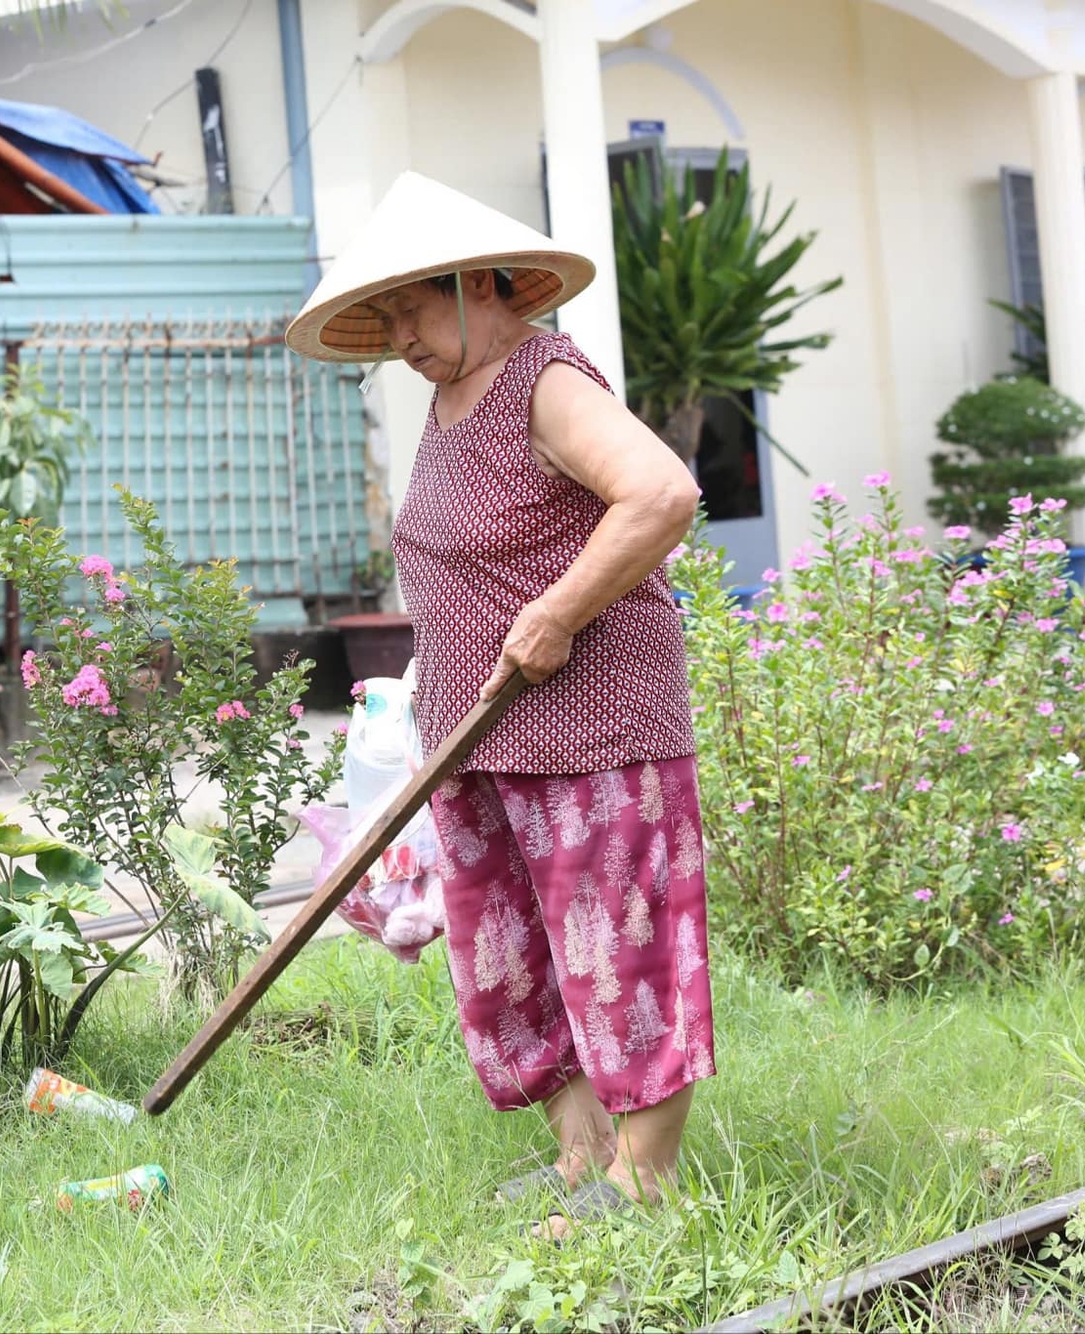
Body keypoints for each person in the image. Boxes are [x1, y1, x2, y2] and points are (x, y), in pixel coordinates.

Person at [286, 173, 711, 1235]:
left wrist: (559, 611)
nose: (397, 337)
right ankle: (581, 1150)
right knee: (509, 955)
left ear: (477, 284)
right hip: (480, 734)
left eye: (410, 310)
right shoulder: (445, 400)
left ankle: (645, 1180)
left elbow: (659, 493)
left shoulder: (544, 380)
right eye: (379, 319)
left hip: (594, 727)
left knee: (618, 945)